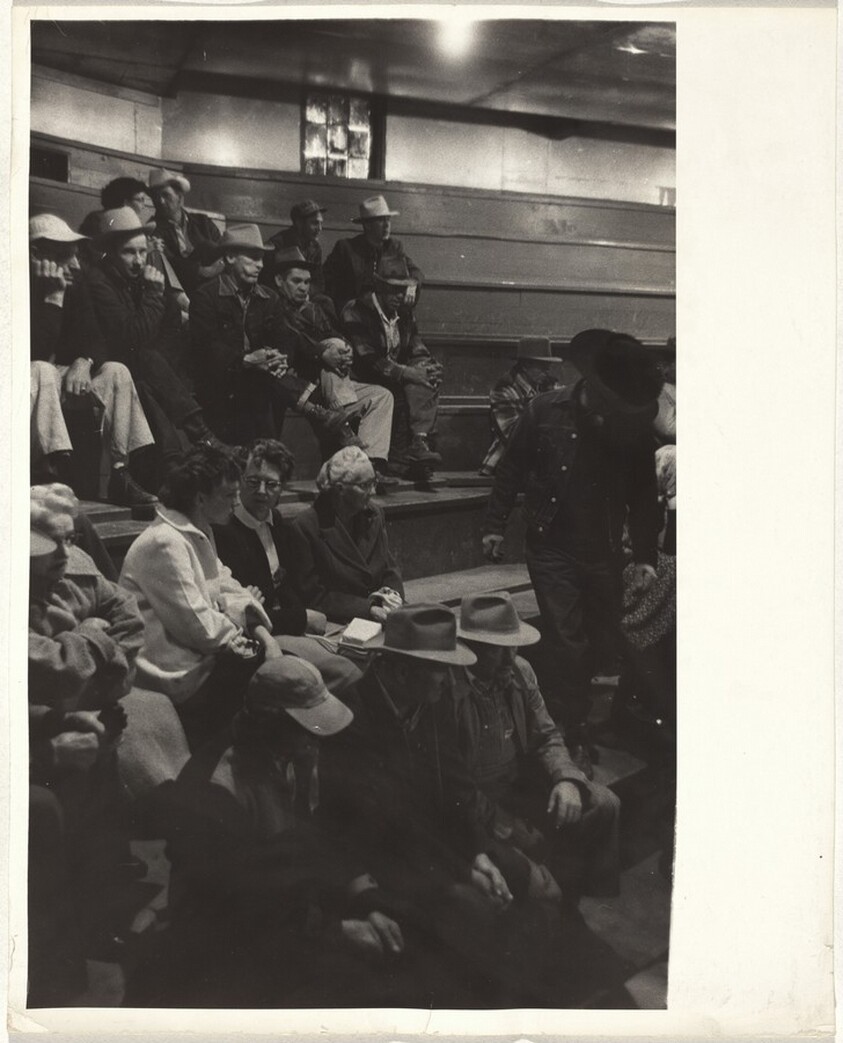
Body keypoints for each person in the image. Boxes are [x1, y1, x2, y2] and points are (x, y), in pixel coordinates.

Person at [320, 603, 603, 1008]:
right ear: (402, 671)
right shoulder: (353, 719)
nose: (450, 678)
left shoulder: (427, 700)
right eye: (441, 668)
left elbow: (455, 787)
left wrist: (477, 853)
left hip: (439, 843)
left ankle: (537, 993)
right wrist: (465, 865)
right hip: (384, 861)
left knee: (539, 888)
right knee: (478, 907)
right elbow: (384, 826)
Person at [122, 655, 430, 1009]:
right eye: (305, 731)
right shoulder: (215, 789)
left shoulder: (291, 756)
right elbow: (241, 905)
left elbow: (321, 838)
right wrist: (338, 931)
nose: (314, 742)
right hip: (238, 938)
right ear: (270, 723)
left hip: (294, 909)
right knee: (372, 991)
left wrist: (364, 897)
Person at [28, 485, 189, 1003]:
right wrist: (92, 640)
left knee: (110, 737)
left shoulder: (71, 563)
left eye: (64, 542)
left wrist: (84, 666)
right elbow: (49, 669)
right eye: (44, 547)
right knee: (71, 786)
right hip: (30, 728)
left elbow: (125, 616)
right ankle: (76, 929)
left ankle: (102, 906)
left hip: (88, 706)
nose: (59, 555)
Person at [482, 328, 664, 778]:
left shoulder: (631, 429)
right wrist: (494, 526)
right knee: (567, 640)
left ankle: (588, 717)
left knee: (604, 638)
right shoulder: (543, 410)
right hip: (551, 544)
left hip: (602, 548)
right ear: (592, 389)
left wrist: (643, 557)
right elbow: (511, 469)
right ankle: (570, 729)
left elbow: (643, 497)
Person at [119, 444, 360, 748]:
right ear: (200, 498)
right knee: (295, 683)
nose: (236, 502)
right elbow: (202, 629)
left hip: (206, 655)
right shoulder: (165, 543)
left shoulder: (197, 529)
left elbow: (229, 587)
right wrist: (238, 616)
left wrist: (246, 620)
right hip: (178, 672)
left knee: (308, 676)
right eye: (229, 495)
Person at [451, 592, 621, 899]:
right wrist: (506, 824)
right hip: (476, 803)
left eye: (512, 646)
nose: (508, 658)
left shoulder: (520, 670)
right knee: (537, 884)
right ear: (472, 648)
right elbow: (454, 783)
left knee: (604, 803)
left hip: (519, 783)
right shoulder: (451, 689)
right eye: (496, 650)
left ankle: (578, 897)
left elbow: (547, 735)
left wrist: (566, 777)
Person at [29, 213, 158, 510]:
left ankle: (120, 474)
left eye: (75, 255)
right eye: (64, 257)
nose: (75, 265)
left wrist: (84, 361)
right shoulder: (18, 285)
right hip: (28, 381)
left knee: (116, 371)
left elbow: (95, 337)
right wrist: (53, 297)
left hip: (60, 380)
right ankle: (51, 472)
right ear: (37, 255)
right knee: (44, 369)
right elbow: (34, 350)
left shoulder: (75, 281)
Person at [189, 224, 360, 447]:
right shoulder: (206, 296)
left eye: (261, 259)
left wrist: (278, 359)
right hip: (220, 381)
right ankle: (318, 414)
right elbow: (207, 350)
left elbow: (284, 337)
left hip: (260, 379)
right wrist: (247, 360)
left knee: (263, 379)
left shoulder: (268, 297)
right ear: (230, 257)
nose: (260, 265)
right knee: (262, 378)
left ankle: (277, 450)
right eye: (252, 258)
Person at [86, 206, 223, 464]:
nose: (138, 260)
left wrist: (162, 296)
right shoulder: (99, 281)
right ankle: (201, 435)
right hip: (106, 366)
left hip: (141, 369)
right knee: (147, 358)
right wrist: (153, 295)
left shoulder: (136, 277)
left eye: (142, 251)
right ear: (110, 253)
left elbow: (169, 329)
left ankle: (174, 460)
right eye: (129, 252)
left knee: (145, 384)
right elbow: (132, 336)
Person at [272, 246, 396, 483]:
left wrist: (346, 351)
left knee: (382, 396)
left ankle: (369, 465)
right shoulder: (274, 306)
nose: (303, 287)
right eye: (296, 281)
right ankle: (344, 421)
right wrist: (324, 353)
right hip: (302, 380)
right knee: (331, 346)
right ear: (279, 280)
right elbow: (293, 343)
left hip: (334, 385)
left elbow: (335, 332)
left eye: (307, 282)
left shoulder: (316, 308)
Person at [341, 255, 443, 477]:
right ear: (378, 287)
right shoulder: (356, 309)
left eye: (402, 289)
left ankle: (419, 442)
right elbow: (368, 359)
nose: (399, 295)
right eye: (392, 290)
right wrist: (407, 372)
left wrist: (427, 366)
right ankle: (398, 460)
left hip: (392, 374)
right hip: (362, 378)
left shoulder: (404, 313)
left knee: (427, 373)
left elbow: (415, 346)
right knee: (404, 384)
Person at [286, 447, 405, 625]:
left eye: (374, 482)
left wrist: (394, 599)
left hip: (382, 611)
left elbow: (388, 568)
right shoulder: (306, 526)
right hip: (341, 619)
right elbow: (314, 596)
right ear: (340, 489)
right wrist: (369, 609)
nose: (372, 491)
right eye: (364, 485)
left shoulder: (374, 514)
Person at [323, 194, 423, 313]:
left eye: (388, 219)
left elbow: (416, 272)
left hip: (385, 313)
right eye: (381, 220)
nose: (387, 225)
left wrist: (412, 285)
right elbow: (327, 283)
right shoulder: (346, 248)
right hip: (355, 316)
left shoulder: (393, 247)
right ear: (367, 225)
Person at [479, 336, 562, 476]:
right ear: (525, 366)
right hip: (509, 461)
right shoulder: (504, 391)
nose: (547, 371)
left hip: (542, 455)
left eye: (548, 367)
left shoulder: (547, 385)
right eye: (542, 367)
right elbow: (514, 435)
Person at [147, 167, 222, 295]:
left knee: (208, 246)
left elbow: (222, 249)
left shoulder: (202, 222)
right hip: (181, 288)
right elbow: (169, 263)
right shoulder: (154, 228)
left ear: (180, 198)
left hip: (215, 281)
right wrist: (202, 271)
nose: (160, 201)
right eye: (156, 197)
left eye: (166, 195)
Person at [264, 198, 328, 297]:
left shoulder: (315, 248)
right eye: (314, 223)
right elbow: (267, 282)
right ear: (299, 223)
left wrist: (306, 295)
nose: (320, 228)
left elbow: (318, 282)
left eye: (321, 223)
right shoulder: (277, 244)